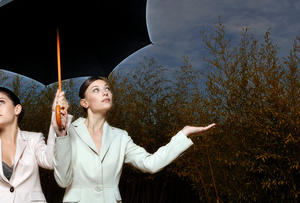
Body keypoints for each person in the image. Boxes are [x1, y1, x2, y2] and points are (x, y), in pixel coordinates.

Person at [52, 76, 216, 203]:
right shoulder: (67, 131)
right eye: (96, 90)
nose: (105, 92)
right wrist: (61, 135)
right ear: (84, 103)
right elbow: (63, 180)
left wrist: (184, 134)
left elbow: (150, 164)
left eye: (107, 88)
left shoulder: (120, 137)